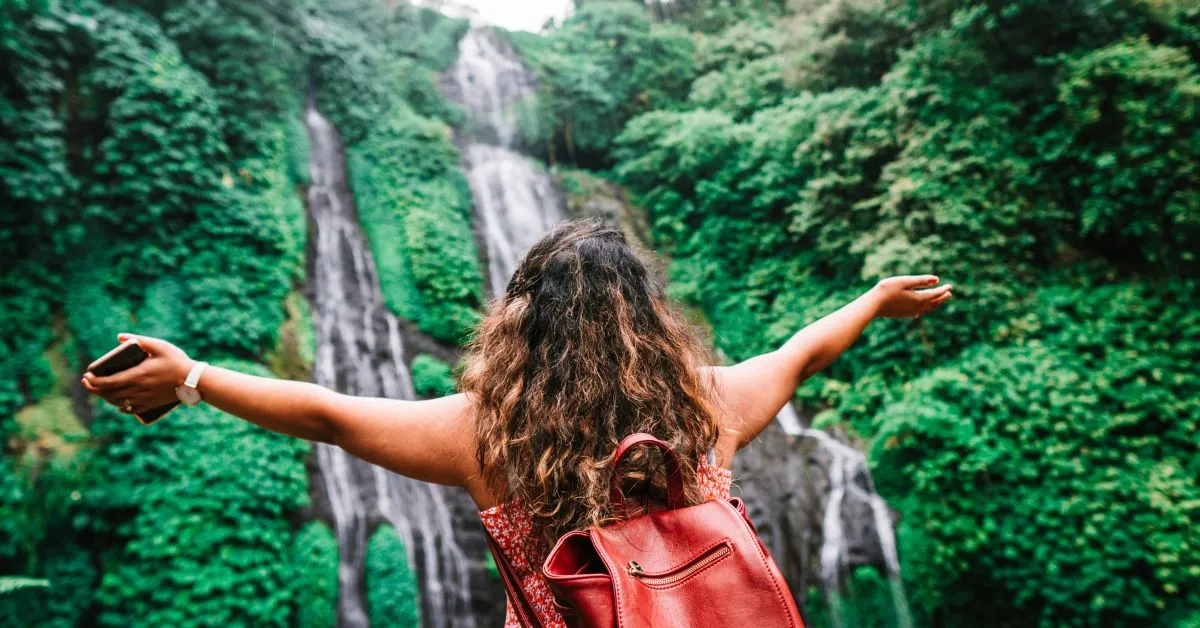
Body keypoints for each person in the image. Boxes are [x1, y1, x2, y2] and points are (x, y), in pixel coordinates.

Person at [82, 219, 952, 626]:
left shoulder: (484, 435)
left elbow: (329, 415)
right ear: (646, 319)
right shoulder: (706, 405)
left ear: (520, 322)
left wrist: (191, 377)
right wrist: (874, 301)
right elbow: (802, 352)